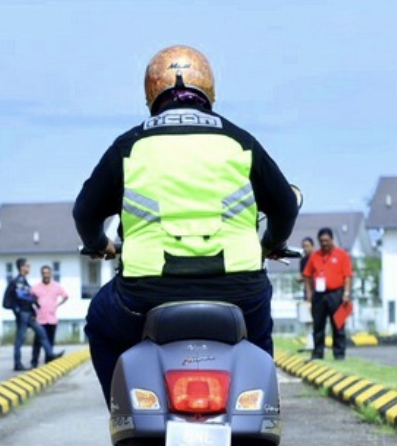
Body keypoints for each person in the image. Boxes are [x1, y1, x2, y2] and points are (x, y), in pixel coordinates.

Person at [74, 44, 299, 405]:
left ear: (151, 92)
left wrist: (100, 244)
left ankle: (124, 413)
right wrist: (272, 242)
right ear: (209, 89)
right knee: (258, 340)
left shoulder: (130, 145)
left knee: (100, 323)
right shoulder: (240, 141)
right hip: (239, 292)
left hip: (146, 295)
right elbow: (285, 205)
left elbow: (85, 212)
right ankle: (259, 412)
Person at [303, 226, 353, 360]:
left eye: (326, 240)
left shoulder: (342, 255)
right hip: (319, 295)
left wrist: (346, 294)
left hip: (337, 294)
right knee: (318, 325)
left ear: (332, 239)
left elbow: (348, 276)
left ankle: (339, 354)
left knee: (338, 325)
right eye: (321, 241)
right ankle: (318, 353)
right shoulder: (315, 256)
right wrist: (309, 292)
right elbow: (307, 275)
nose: (324, 243)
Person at [5, 258, 60, 371]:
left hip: (29, 314)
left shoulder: (23, 280)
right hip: (23, 314)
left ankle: (50, 354)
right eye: (27, 266)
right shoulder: (19, 281)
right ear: (22, 268)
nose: (29, 268)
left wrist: (34, 306)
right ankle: (17, 363)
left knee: (41, 333)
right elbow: (21, 295)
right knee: (20, 338)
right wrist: (33, 298)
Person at [30, 264, 68, 368]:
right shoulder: (36, 287)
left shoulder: (56, 286)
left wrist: (57, 305)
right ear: (41, 274)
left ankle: (48, 361)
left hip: (51, 318)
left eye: (48, 273)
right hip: (39, 319)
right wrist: (33, 311)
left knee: (50, 341)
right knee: (37, 342)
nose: (46, 275)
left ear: (51, 274)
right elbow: (29, 299)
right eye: (44, 273)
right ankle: (34, 362)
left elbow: (65, 296)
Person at [299, 236, 316, 301]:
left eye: (307, 246)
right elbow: (303, 275)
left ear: (312, 246)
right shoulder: (303, 261)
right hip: (307, 289)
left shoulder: (318, 258)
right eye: (303, 247)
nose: (305, 249)